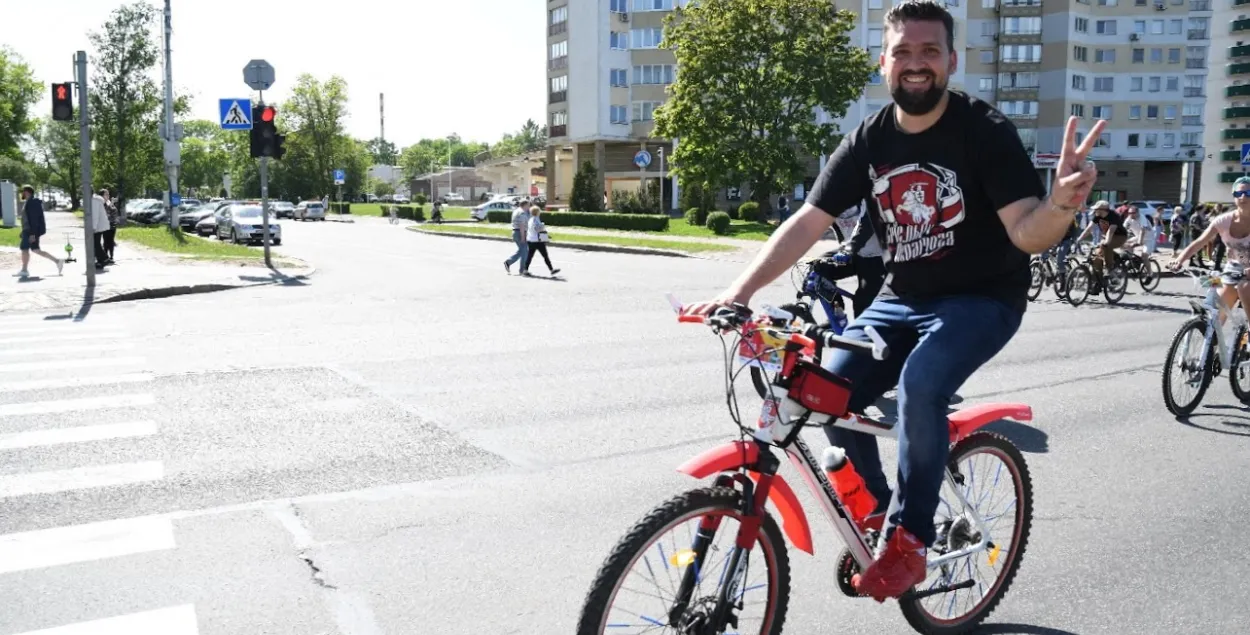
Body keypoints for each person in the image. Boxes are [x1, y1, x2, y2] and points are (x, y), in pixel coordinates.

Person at [680, 0, 1104, 602]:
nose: (915, 63)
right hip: (902, 299)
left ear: (951, 61)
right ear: (884, 61)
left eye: (929, 51)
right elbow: (808, 219)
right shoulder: (870, 139)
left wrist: (1060, 203)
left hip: (981, 300)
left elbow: (1026, 234)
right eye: (903, 51)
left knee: (922, 385)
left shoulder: (984, 131)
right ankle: (878, 515)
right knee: (821, 390)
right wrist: (738, 293)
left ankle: (910, 541)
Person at [1169, 176, 1250, 323]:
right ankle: (1210, 341)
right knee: (1216, 314)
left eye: (1248, 193)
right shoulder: (1223, 221)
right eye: (1238, 194)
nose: (1243, 197)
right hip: (1233, 269)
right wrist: (1179, 260)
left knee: (1245, 287)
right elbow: (1200, 242)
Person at [15, 185, 63, 278]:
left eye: (23, 191)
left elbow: (34, 219)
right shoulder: (29, 202)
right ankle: (58, 261)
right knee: (36, 250)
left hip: (30, 231)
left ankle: (24, 270)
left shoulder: (32, 202)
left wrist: (32, 233)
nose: (22, 193)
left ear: (27, 192)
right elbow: (27, 219)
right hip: (28, 230)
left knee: (24, 249)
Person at [524, 206, 561, 277]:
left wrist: (546, 235)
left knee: (530, 256)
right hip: (537, 241)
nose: (540, 212)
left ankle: (525, 270)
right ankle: (551, 270)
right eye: (539, 211)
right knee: (545, 255)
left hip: (531, 240)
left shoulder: (531, 219)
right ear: (537, 212)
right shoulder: (535, 219)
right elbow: (537, 229)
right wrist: (543, 225)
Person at [503, 199, 532, 275]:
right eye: (528, 205)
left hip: (516, 232)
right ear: (525, 205)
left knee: (522, 251)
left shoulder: (516, 211)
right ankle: (522, 270)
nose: (529, 207)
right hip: (520, 233)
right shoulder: (522, 212)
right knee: (525, 251)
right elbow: (521, 225)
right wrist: (523, 237)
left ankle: (509, 262)